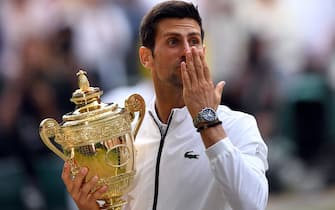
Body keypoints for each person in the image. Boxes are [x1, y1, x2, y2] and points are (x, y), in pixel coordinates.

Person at [61, 1, 269, 210]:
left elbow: (253, 205)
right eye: (173, 42)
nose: (187, 51)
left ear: (203, 52)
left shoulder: (239, 126)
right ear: (146, 57)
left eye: (194, 41)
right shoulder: (124, 132)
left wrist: (207, 121)